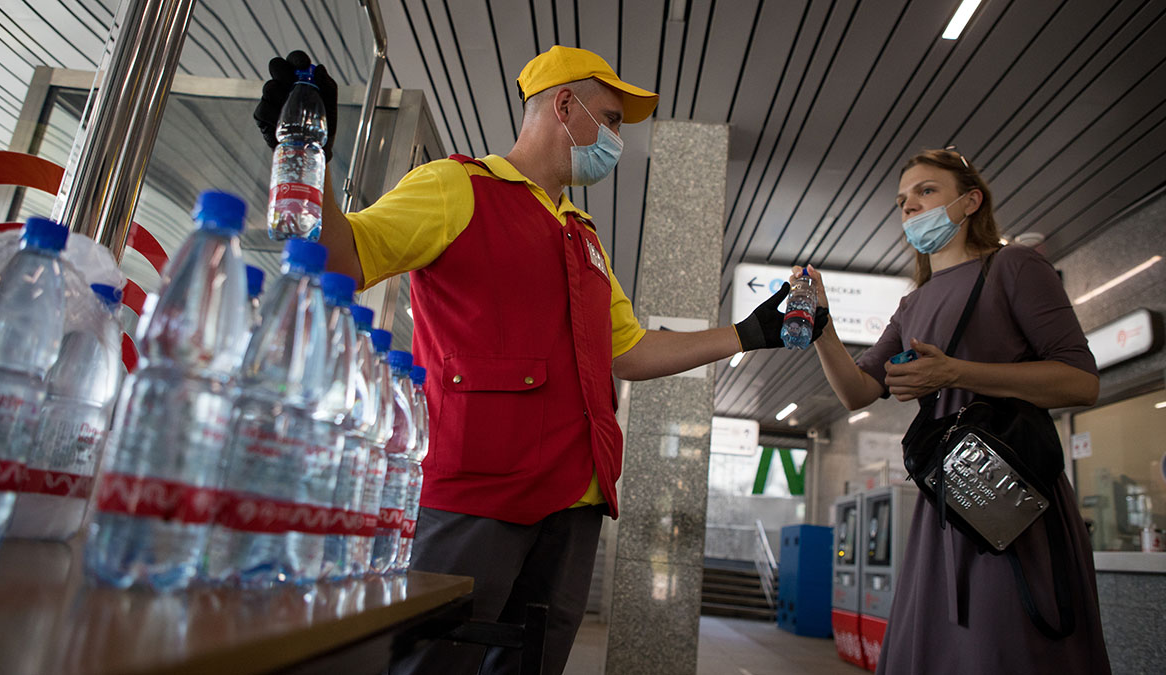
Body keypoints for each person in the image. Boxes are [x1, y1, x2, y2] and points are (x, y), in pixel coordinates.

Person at [253, 47, 826, 674]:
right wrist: (313, 157)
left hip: (575, 506)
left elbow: (628, 350)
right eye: (608, 119)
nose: (615, 139)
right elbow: (345, 258)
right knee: (431, 665)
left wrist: (747, 332)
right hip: (476, 494)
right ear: (563, 105)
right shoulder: (456, 187)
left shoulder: (584, 235)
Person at [803, 148, 1110, 673]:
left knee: (1005, 644)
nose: (909, 207)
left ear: (971, 201)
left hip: (1012, 494)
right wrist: (820, 324)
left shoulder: (1012, 266)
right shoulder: (912, 304)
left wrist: (957, 373)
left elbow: (1081, 381)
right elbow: (858, 391)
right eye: (902, 201)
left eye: (926, 191)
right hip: (948, 498)